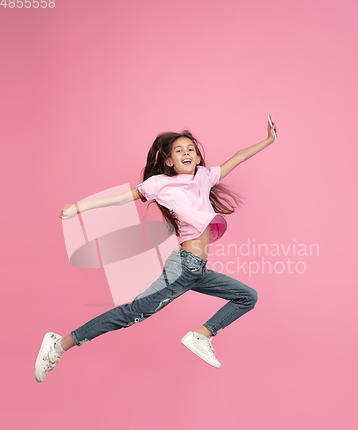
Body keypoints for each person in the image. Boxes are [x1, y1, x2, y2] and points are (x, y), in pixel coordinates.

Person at [35, 118, 278, 382]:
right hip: (183, 268)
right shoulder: (159, 184)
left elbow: (239, 156)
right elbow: (120, 198)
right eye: (179, 150)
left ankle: (201, 335)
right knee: (131, 314)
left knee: (247, 297)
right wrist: (78, 208)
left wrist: (268, 140)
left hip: (198, 271)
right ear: (169, 161)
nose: (187, 152)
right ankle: (58, 345)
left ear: (197, 157)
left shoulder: (204, 177)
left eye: (191, 149)